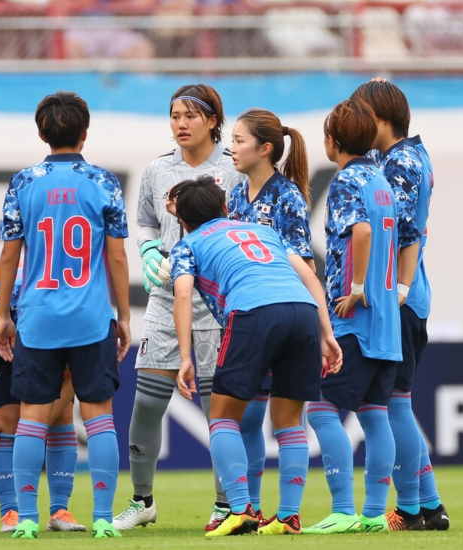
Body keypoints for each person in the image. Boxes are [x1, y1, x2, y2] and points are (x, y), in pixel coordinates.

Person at [167, 176, 341, 537]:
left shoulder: (188, 244)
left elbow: (182, 294)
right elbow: (311, 277)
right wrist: (327, 333)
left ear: (183, 220)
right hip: (303, 312)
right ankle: (289, 516)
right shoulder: (263, 232)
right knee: (290, 421)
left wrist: (186, 356)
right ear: (226, 208)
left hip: (253, 313)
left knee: (222, 417)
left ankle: (241, 509)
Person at [0, 91, 131, 539]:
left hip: (38, 316)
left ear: (41, 133)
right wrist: (124, 316)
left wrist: (1, 315)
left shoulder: (23, 182)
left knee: (33, 417)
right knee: (99, 417)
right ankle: (105, 518)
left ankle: (28, 519)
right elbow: (115, 259)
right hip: (91, 317)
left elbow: (10, 259)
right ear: (84, 132)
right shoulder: (103, 181)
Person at [115, 83, 244, 533]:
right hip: (165, 300)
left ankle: (227, 505)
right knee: (146, 403)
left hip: (214, 304)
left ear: (213, 121)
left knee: (217, 411)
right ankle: (142, 500)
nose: (181, 124)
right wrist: (149, 250)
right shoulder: (157, 169)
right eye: (174, 116)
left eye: (190, 116)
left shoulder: (234, 168)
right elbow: (146, 221)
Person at [351, 79, 448, 531]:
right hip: (403, 295)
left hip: (399, 298)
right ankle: (429, 505)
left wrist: (401, 288)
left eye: (359, 113)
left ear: (380, 118)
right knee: (395, 403)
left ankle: (411, 509)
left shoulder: (402, 163)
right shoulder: (402, 157)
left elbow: (405, 233)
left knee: (392, 404)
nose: (353, 123)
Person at [304, 99, 401, 534]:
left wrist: (355, 289)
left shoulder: (346, 181)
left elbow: (360, 231)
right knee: (374, 414)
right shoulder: (380, 179)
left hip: (355, 319)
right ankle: (375, 512)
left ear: (332, 139)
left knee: (321, 411)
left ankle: (343, 509)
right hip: (386, 322)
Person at [225, 108, 314, 520]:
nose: (232, 147)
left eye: (240, 140)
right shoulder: (236, 194)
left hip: (284, 317)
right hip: (247, 316)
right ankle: (253, 510)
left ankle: (289, 514)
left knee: (285, 419)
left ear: (265, 149)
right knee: (247, 418)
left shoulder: (287, 195)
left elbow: (303, 262)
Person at [0, 269, 86, 533]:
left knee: (61, 415)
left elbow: (75, 375)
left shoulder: (68, 308)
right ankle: (10, 512)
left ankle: (59, 510)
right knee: (5, 421)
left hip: (47, 356)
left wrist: (37, 425)